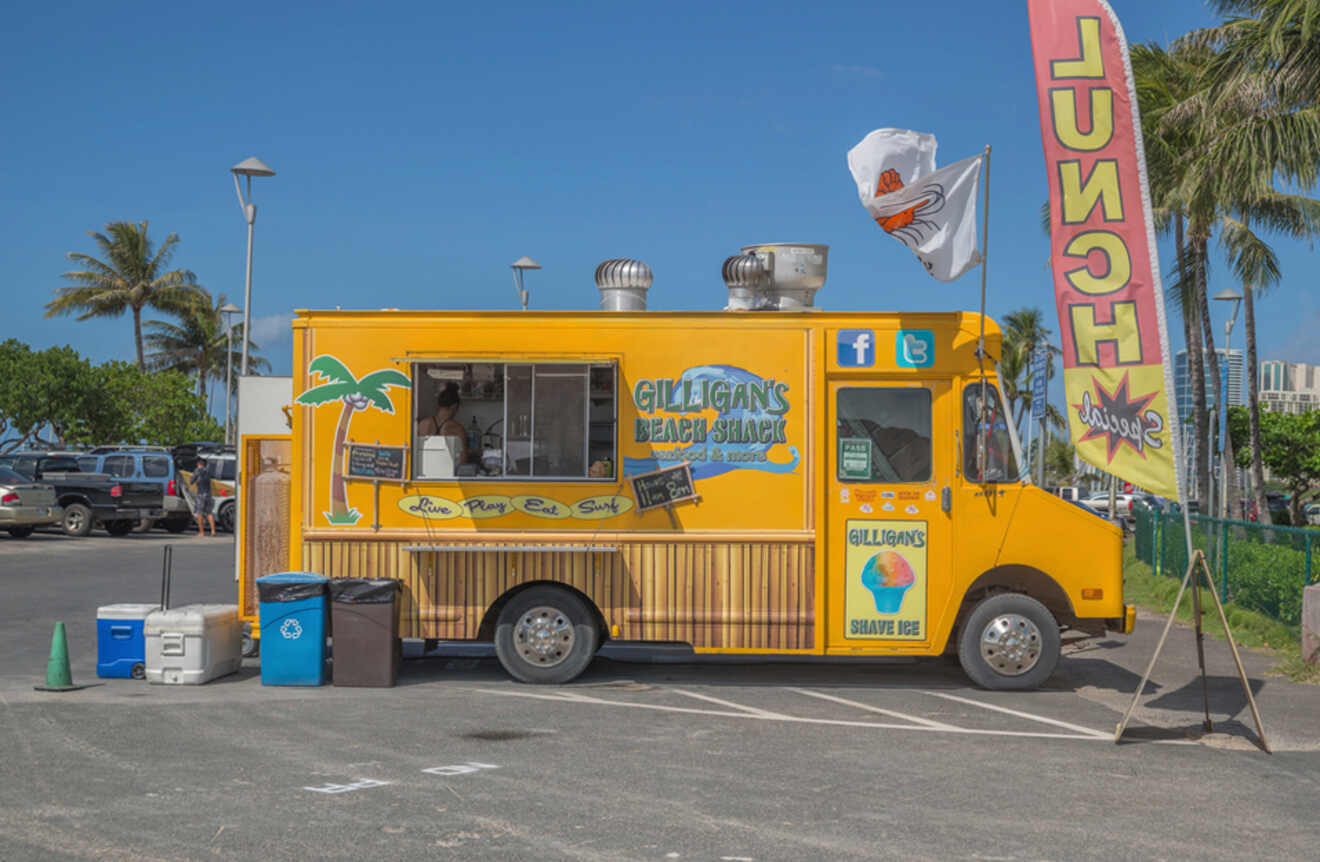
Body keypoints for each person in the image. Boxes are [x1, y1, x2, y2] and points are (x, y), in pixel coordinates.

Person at [416, 382, 468, 463]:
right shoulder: (458, 429)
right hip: (446, 473)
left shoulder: (422, 424)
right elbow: (463, 460)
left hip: (423, 472)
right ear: (454, 407)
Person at [192, 456, 216, 537]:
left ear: (198, 464)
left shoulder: (197, 471)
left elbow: (192, 481)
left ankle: (201, 532)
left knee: (200, 513)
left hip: (200, 495)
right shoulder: (208, 471)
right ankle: (213, 531)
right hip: (208, 494)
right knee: (209, 513)